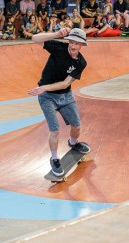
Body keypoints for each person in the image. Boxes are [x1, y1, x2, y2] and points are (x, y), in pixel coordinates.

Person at [27, 27, 91, 177]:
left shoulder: (81, 62)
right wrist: (57, 34)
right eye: (71, 42)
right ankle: (54, 158)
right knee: (54, 130)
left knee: (76, 125)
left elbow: (65, 84)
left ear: (82, 45)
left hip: (65, 95)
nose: (73, 46)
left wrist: (43, 87)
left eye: (77, 44)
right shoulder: (58, 47)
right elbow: (34, 38)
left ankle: (73, 143)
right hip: (47, 97)